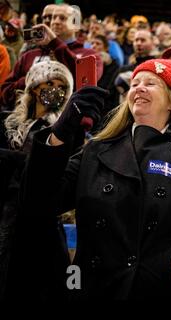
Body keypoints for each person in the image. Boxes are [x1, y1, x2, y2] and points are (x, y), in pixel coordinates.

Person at [20, 59, 171, 299]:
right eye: (135, 83)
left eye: (152, 83)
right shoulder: (96, 150)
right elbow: (37, 202)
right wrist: (59, 135)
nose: (139, 87)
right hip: (95, 290)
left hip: (158, 290)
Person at [0, 60, 74, 299]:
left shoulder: (63, 133)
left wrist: (13, 160)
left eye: (62, 86)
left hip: (38, 219)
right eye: (50, 83)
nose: (56, 90)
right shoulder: (6, 122)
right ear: (34, 86)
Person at [0, 3, 103, 110]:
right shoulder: (29, 55)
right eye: (54, 17)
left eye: (62, 18)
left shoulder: (90, 55)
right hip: (27, 121)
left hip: (68, 122)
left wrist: (56, 44)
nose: (55, 21)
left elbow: (86, 86)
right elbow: (5, 93)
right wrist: (30, 79)